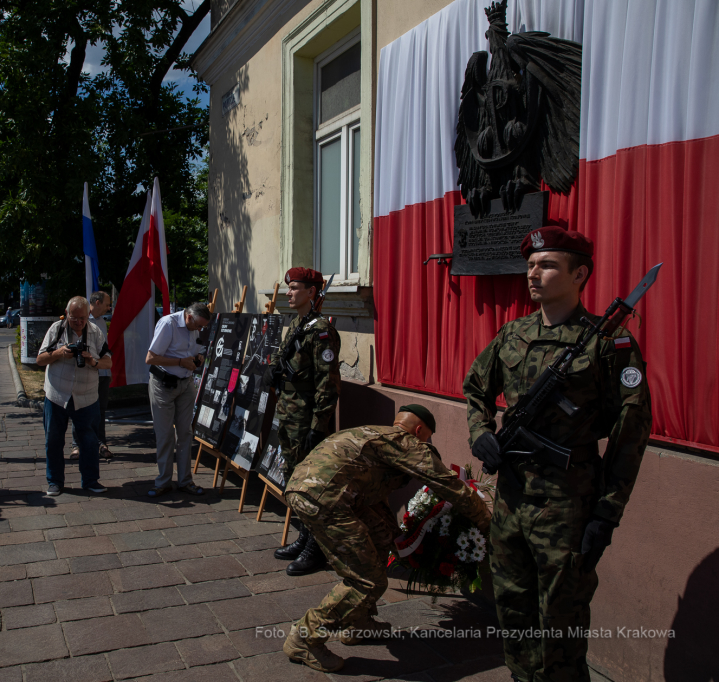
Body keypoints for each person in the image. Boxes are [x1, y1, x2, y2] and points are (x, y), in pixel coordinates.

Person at [463, 226, 652, 682]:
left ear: (580, 273)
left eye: (547, 265)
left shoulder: (609, 343)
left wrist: (606, 515)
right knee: (513, 607)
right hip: (510, 499)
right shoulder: (513, 334)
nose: (533, 273)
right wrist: (479, 432)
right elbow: (475, 389)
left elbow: (631, 432)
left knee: (561, 624)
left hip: (567, 504)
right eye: (530, 265)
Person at [282, 407, 492, 673]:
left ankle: (356, 623)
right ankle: (305, 637)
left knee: (380, 545)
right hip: (327, 499)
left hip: (312, 489)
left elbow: (372, 492)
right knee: (367, 580)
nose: (425, 444)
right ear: (419, 431)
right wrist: (486, 523)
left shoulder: (371, 434)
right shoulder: (407, 443)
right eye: (427, 438)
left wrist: (395, 537)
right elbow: (448, 486)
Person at [265, 268, 341, 576]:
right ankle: (305, 536)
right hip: (289, 415)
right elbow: (285, 359)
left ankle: (317, 548)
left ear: (311, 292)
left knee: (311, 486)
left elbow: (328, 383)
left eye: (295, 288)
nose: (288, 293)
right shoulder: (298, 324)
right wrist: (274, 370)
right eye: (289, 288)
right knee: (295, 481)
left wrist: (317, 426)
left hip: (307, 420)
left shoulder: (321, 331)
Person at [36, 296, 111, 496]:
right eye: (74, 318)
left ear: (88, 316)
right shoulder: (56, 329)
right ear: (67, 314)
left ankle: (90, 480)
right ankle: (55, 482)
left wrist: (92, 361)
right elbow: (40, 359)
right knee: (53, 440)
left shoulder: (95, 333)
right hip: (57, 395)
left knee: (89, 440)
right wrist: (59, 353)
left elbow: (108, 362)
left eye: (82, 318)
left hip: (87, 396)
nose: (78, 322)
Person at [144, 302, 210, 498]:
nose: (200, 330)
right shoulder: (168, 324)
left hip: (186, 383)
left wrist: (197, 358)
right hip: (163, 385)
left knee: (185, 434)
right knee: (165, 436)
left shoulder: (196, 327)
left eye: (202, 327)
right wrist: (181, 362)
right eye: (198, 326)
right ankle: (163, 482)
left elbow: (196, 350)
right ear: (188, 317)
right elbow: (151, 358)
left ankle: (185, 481)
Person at [70, 291, 114, 461]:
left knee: (100, 410)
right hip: (85, 372)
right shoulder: (83, 319)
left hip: (102, 372)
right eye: (107, 304)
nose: (109, 308)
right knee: (79, 408)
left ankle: (101, 443)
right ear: (96, 302)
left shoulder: (102, 322)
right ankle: (77, 445)